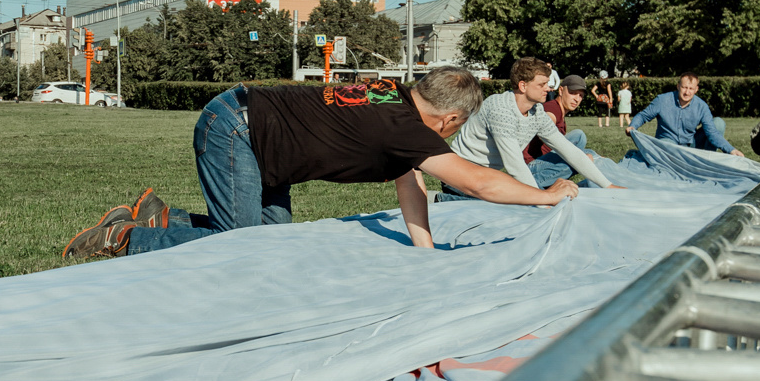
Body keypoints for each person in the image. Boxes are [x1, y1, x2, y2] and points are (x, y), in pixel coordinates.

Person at [60, 67, 578, 259]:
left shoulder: (390, 99)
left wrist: (426, 249)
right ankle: (128, 238)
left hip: (252, 128)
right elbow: (482, 183)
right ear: (447, 119)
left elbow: (409, 181)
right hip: (237, 129)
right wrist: (546, 195)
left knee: (272, 238)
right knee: (240, 248)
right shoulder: (405, 127)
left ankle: (163, 217)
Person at [445, 58, 616, 198]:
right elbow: (515, 166)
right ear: (523, 86)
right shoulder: (500, 108)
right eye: (542, 84)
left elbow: (568, 149)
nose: (548, 88)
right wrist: (544, 199)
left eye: (547, 84)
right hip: (460, 177)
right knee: (514, 203)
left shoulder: (536, 112)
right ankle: (449, 199)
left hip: (486, 177)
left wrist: (608, 186)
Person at [628, 73, 742, 156]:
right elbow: (643, 116)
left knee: (719, 123)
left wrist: (731, 150)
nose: (687, 92)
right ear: (678, 86)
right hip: (667, 143)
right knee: (668, 146)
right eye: (684, 87)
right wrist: (633, 126)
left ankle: (708, 160)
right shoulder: (662, 100)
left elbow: (712, 132)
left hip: (690, 144)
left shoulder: (701, 106)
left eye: (691, 89)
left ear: (696, 89)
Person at [523, 74, 597, 185]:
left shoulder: (561, 112)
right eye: (572, 93)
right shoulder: (553, 108)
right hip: (532, 166)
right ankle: (534, 182)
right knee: (579, 137)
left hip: (544, 162)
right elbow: (544, 127)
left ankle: (545, 183)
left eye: (580, 95)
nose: (576, 99)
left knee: (588, 154)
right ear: (561, 90)